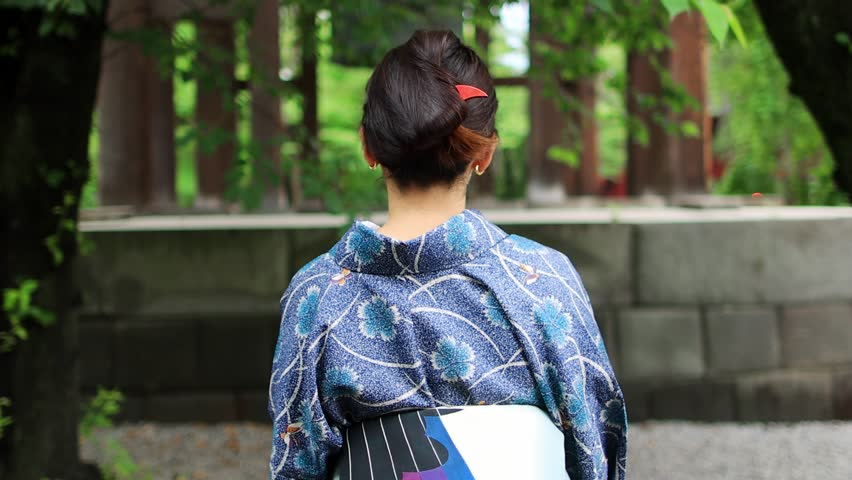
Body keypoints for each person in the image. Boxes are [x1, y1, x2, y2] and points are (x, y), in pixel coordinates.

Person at [268, 30, 627, 480]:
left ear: (368, 147)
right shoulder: (540, 278)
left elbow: (298, 461)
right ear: (484, 152)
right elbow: (595, 441)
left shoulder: (316, 296)